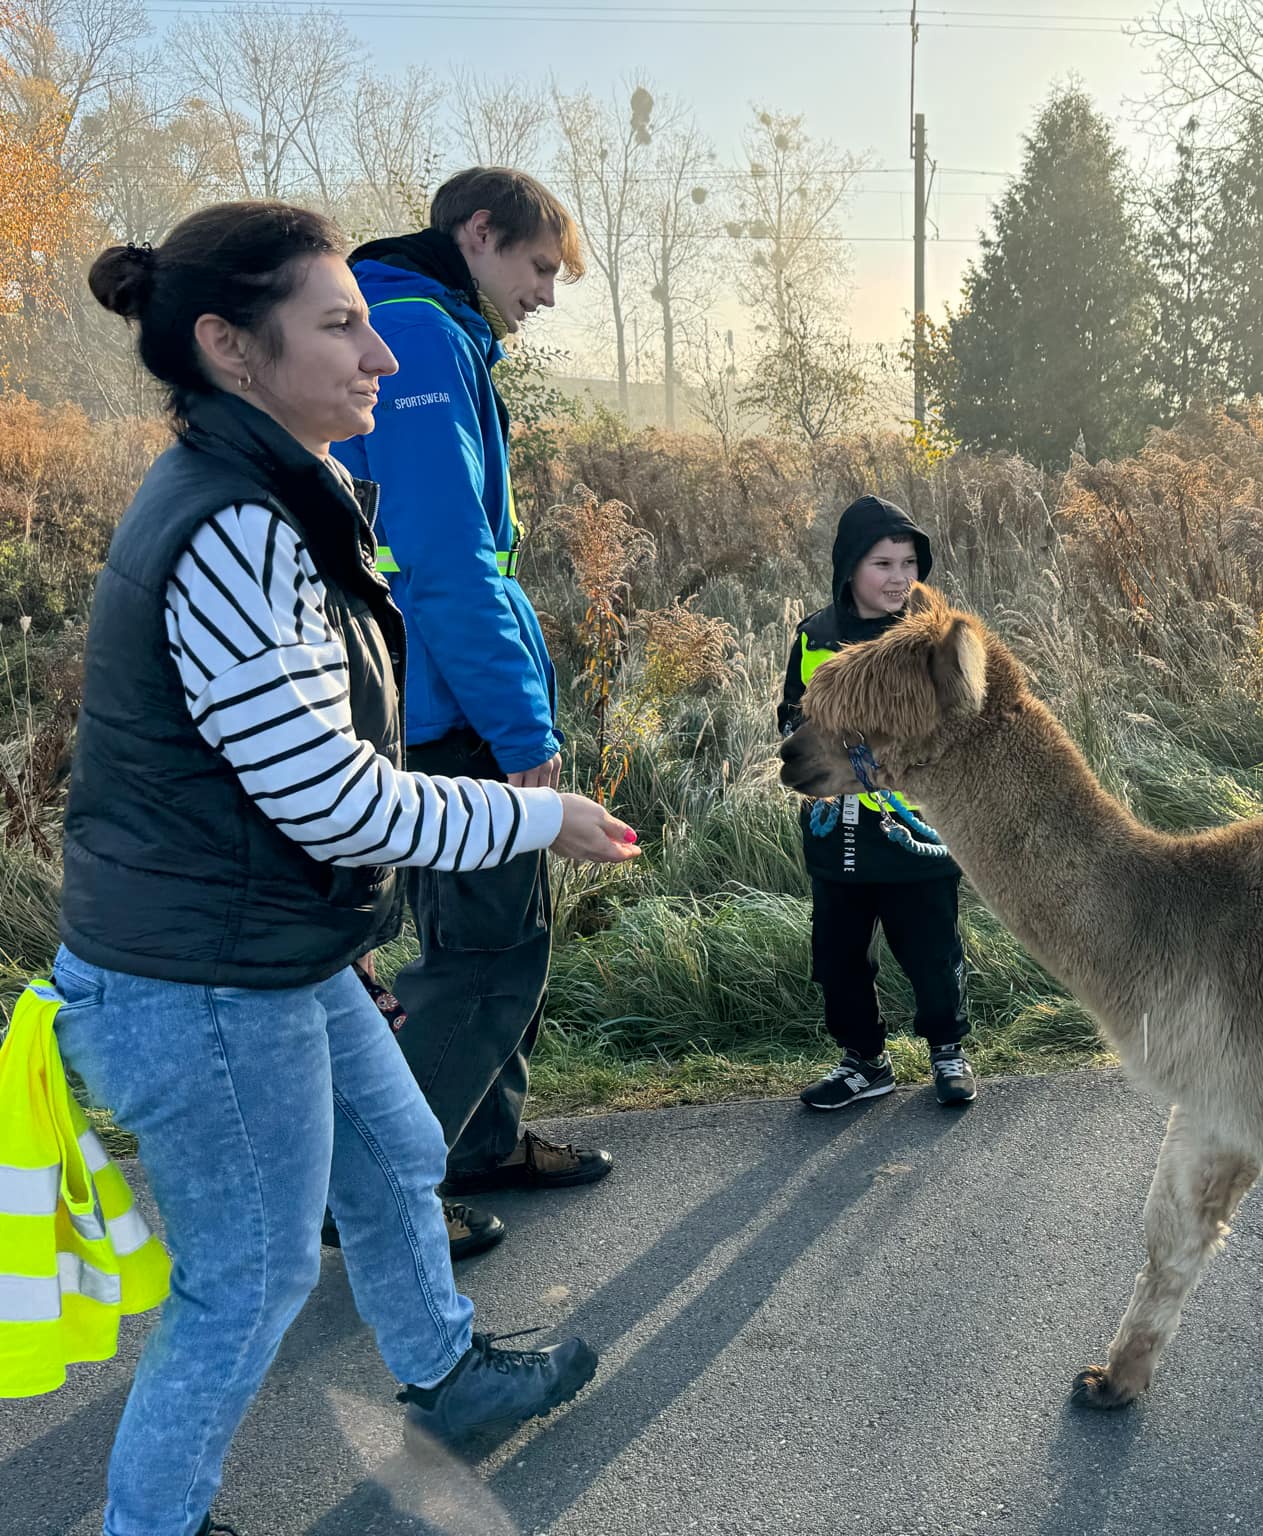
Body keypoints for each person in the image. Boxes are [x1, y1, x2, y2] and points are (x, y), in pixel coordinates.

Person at [56, 200, 638, 1536]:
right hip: (197, 980)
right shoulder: (238, 528)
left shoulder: (268, 492)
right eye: (341, 327)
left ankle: (447, 1373)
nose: (380, 357)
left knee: (391, 1148)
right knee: (247, 1278)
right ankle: (155, 1521)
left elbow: (282, 777)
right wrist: (534, 816)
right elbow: (330, 798)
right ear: (229, 347)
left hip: (259, 945)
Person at [330, 168, 608, 1262]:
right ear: (478, 233)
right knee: (488, 953)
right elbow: (446, 560)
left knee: (488, 935)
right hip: (443, 699)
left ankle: (476, 1143)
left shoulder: (409, 320)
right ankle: (378, 1191)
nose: (544, 295)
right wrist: (524, 731)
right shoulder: (420, 337)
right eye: (538, 267)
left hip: (425, 691)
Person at [777, 495, 977, 1110]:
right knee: (838, 957)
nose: (899, 579)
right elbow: (792, 720)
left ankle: (948, 1050)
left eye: (909, 563)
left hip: (916, 829)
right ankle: (864, 1060)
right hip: (837, 830)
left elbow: (952, 729)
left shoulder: (927, 647)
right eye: (882, 564)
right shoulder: (816, 636)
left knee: (931, 950)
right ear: (849, 569)